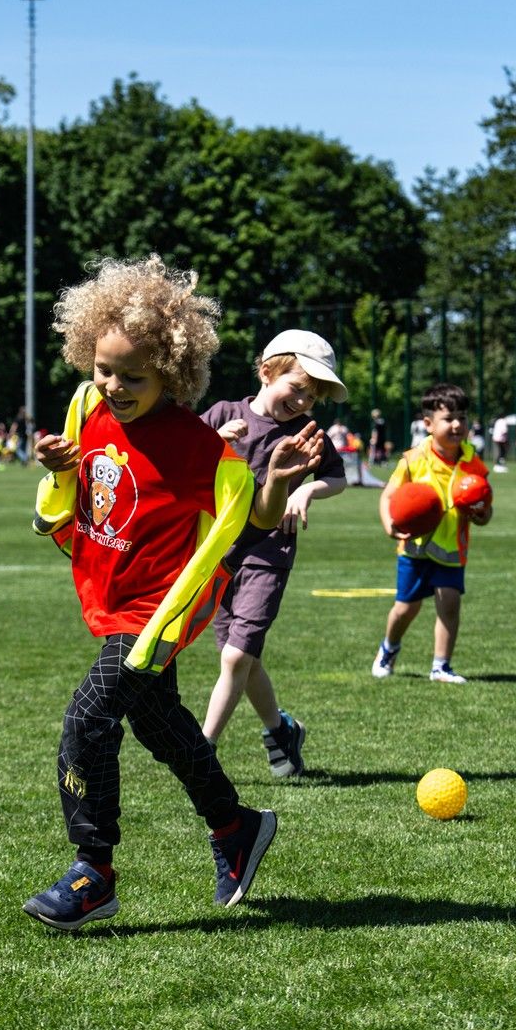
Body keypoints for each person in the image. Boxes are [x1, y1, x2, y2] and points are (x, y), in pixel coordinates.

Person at [21, 255, 323, 931]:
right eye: (104, 369)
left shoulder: (198, 448)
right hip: (107, 597)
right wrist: (54, 468)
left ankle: (92, 871)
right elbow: (57, 506)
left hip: (155, 614)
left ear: (173, 372)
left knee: (88, 720)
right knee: (163, 728)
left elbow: (252, 517)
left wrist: (274, 478)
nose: (114, 386)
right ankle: (236, 826)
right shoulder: (85, 407)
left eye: (134, 376)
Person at [198, 329, 349, 775]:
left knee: (236, 657)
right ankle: (281, 730)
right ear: (267, 372)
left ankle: (203, 750)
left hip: (269, 553)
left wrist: (308, 493)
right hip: (221, 552)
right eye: (298, 389)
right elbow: (183, 460)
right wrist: (215, 440)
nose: (303, 403)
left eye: (312, 398)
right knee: (243, 656)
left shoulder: (307, 434)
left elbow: (337, 478)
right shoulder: (224, 414)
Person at [372, 383, 493, 683]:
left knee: (449, 603)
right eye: (449, 418)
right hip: (415, 548)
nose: (457, 425)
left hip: (452, 548)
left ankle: (441, 666)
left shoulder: (473, 463)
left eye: (462, 418)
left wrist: (480, 514)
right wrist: (390, 525)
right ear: (428, 424)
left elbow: (486, 510)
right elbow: (388, 496)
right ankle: (389, 647)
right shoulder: (413, 460)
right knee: (406, 608)